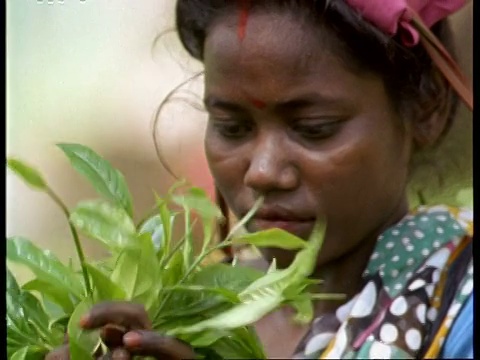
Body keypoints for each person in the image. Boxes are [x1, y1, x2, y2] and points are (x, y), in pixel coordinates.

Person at [46, 0, 473, 359]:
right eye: (233, 128)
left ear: (426, 106)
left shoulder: (460, 308)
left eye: (314, 127)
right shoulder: (183, 311)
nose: (263, 171)